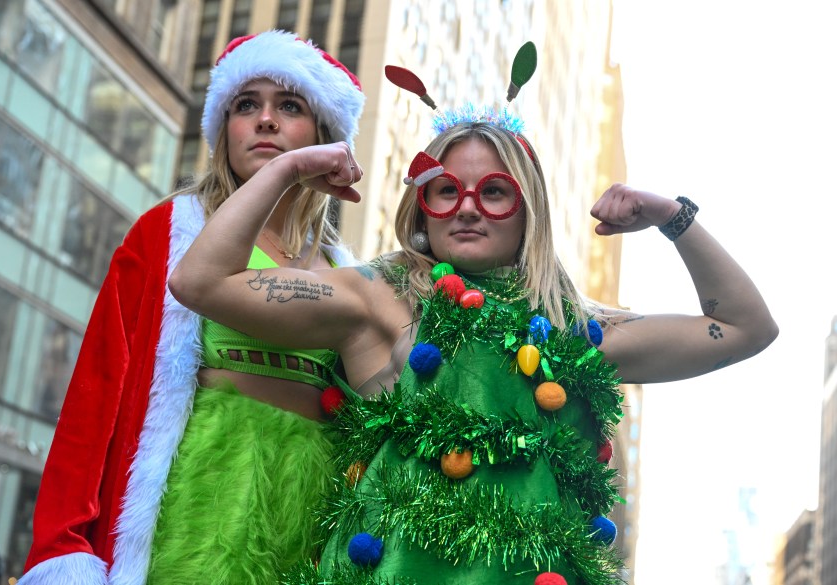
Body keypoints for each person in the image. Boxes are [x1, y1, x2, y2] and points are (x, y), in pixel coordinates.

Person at [168, 106, 778, 583]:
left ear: (526, 207)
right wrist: (288, 170)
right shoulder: (377, 298)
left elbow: (747, 329)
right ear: (422, 207)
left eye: (492, 190)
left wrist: (673, 216)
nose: (466, 209)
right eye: (444, 190)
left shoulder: (576, 330)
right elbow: (201, 282)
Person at [19, 30, 365, 585]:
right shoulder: (172, 232)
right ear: (222, 131)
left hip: (310, 521)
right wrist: (64, 545)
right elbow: (95, 391)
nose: (265, 120)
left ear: (324, 133)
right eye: (245, 105)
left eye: (290, 106)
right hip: (194, 509)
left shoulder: (349, 271)